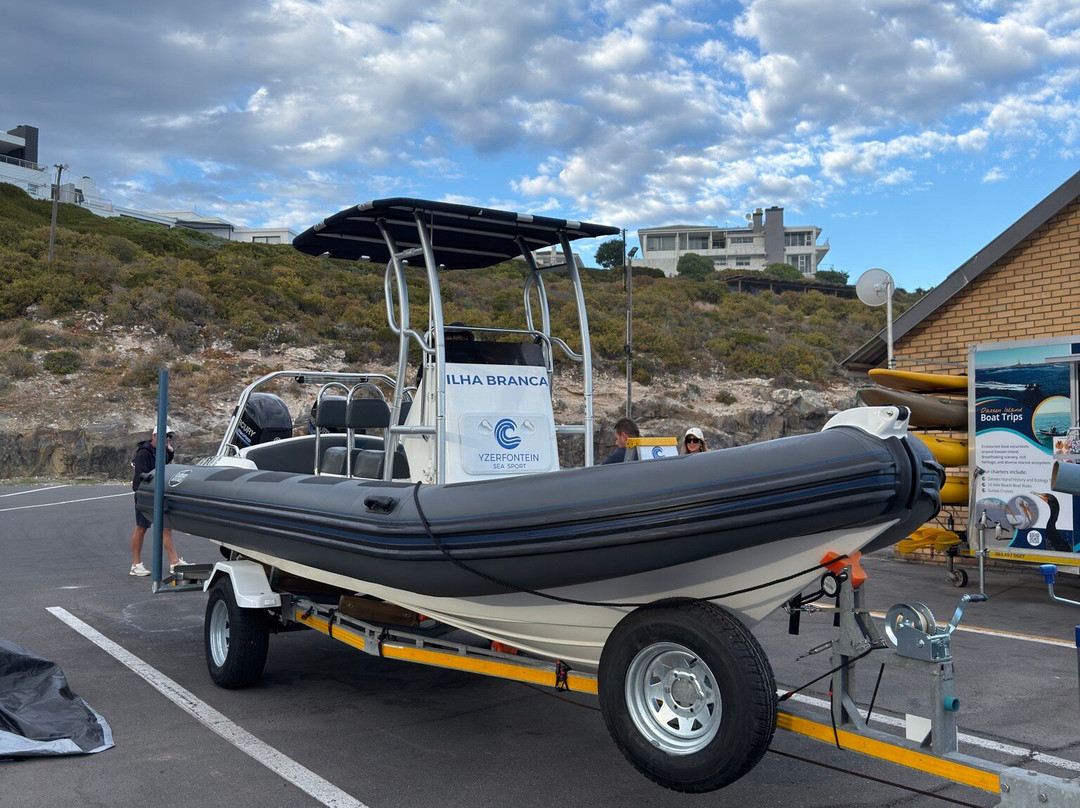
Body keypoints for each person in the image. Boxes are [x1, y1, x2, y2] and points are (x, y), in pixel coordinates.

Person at [129, 424, 185, 576]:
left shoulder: (164, 452)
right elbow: (141, 475)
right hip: (145, 494)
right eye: (165, 436)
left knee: (166, 527)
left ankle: (175, 562)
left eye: (169, 436)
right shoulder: (143, 453)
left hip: (158, 493)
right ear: (155, 436)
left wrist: (171, 453)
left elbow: (166, 466)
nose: (167, 439)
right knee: (141, 527)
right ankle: (135, 564)